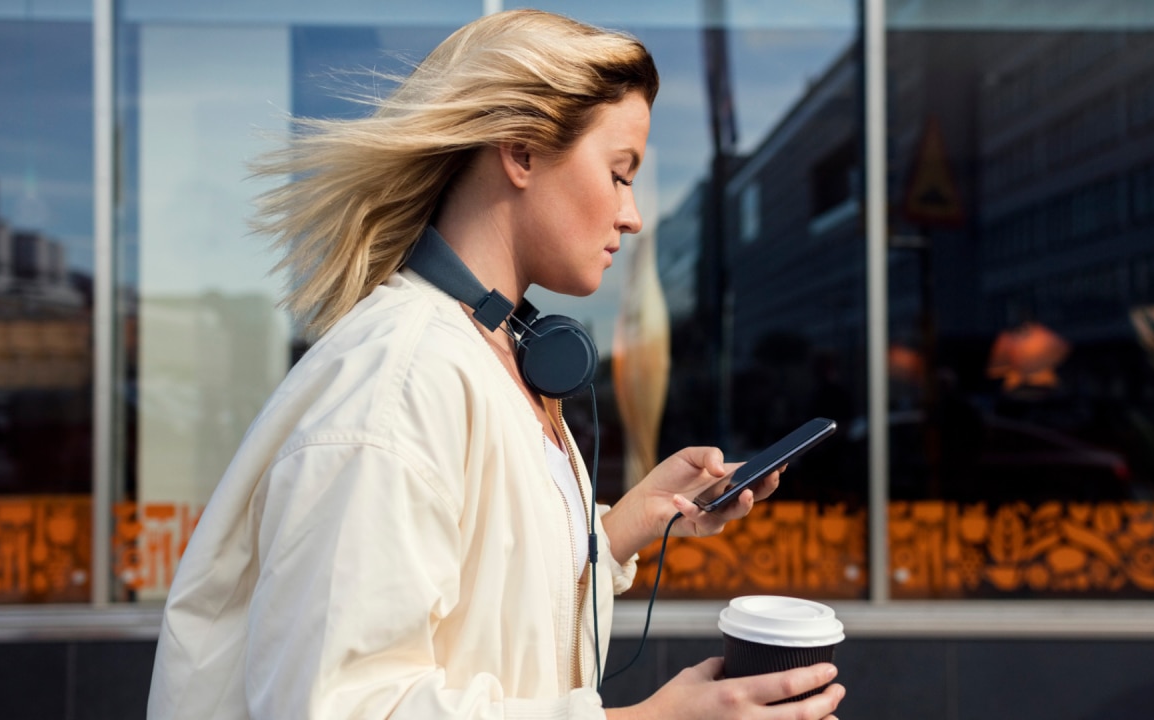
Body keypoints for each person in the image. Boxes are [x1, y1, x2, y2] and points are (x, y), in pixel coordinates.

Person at [147, 9, 846, 720]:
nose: (634, 216)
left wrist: (628, 524)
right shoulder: (397, 385)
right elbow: (339, 705)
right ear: (521, 152)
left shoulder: (491, 352)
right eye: (618, 173)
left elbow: (493, 611)